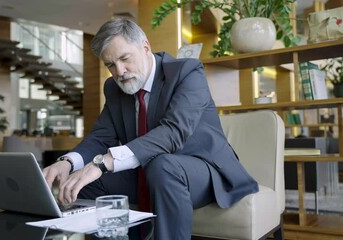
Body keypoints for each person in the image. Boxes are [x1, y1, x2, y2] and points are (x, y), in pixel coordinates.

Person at [43, 17, 258, 240]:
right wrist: (67, 163)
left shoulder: (187, 72)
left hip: (203, 172)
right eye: (110, 65)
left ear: (145, 47)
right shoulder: (114, 87)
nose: (120, 71)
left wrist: (104, 162)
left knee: (162, 166)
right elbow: (101, 136)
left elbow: (172, 133)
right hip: (150, 172)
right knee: (85, 180)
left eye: (125, 58)